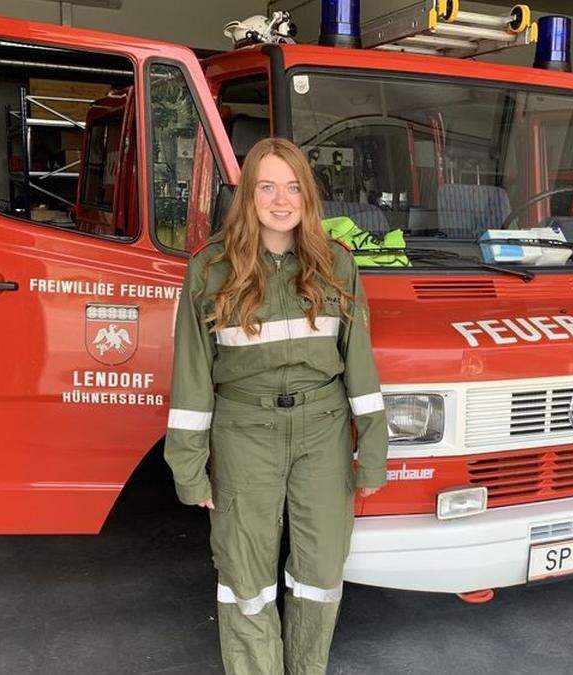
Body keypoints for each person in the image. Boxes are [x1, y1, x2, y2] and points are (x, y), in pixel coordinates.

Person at [163, 137, 388, 674]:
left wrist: (373, 449)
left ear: (308, 197)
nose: (281, 200)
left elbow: (359, 364)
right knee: (245, 575)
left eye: (293, 187)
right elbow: (191, 377)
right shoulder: (210, 270)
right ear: (248, 195)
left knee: (321, 571)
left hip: (323, 432)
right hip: (244, 433)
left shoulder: (336, 265)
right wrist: (189, 467)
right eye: (267, 186)